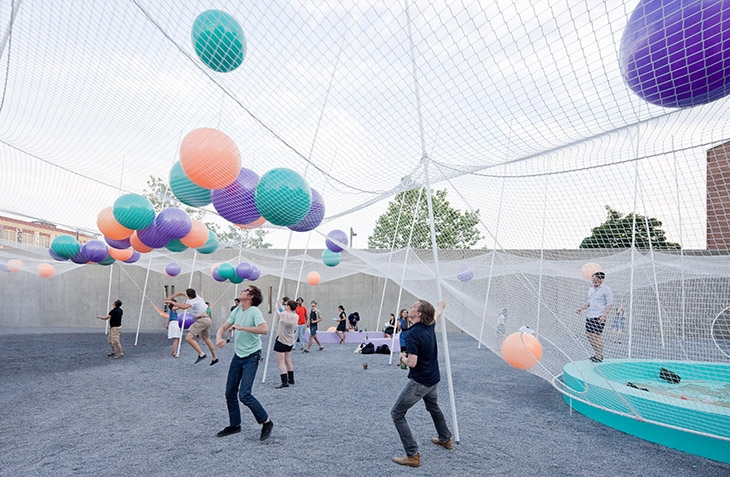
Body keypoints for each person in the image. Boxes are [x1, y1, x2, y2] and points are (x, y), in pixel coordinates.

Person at [391, 300, 451, 468]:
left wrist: (401, 357)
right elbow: (436, 315)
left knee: (397, 413)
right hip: (433, 379)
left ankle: (412, 455)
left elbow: (412, 362)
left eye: (413, 306)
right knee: (433, 407)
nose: (410, 307)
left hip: (420, 382)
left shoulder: (413, 334)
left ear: (418, 314)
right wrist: (441, 307)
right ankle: (445, 439)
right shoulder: (430, 324)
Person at [215, 285, 274, 441]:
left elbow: (264, 329)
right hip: (238, 356)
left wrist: (242, 328)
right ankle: (235, 425)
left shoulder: (254, 311)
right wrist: (219, 337)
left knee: (244, 395)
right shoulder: (237, 310)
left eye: (245, 290)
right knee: (230, 393)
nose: (242, 290)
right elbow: (223, 327)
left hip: (252, 356)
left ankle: (266, 422)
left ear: (251, 296)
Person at [167, 288, 218, 365]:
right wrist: (172, 296)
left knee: (188, 338)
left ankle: (201, 354)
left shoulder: (193, 302)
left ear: (189, 296)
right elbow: (181, 293)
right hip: (207, 319)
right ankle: (215, 358)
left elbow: (183, 307)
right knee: (207, 339)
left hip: (201, 320)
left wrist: (170, 301)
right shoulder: (197, 296)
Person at [576, 271, 614, 363]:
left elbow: (609, 304)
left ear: (602, 279)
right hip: (590, 315)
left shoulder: (606, 290)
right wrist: (581, 308)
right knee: (589, 335)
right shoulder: (591, 289)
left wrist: (604, 316)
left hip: (599, 316)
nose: (595, 281)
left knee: (597, 336)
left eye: (597, 279)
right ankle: (597, 353)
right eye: (593, 279)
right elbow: (589, 302)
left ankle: (599, 355)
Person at [273, 299, 298, 388]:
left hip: (281, 340)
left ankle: (284, 382)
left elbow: (281, 314)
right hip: (290, 341)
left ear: (288, 306)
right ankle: (291, 379)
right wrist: (280, 304)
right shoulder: (296, 316)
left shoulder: (284, 315)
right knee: (288, 360)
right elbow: (286, 314)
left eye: (286, 305)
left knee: (281, 362)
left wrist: (276, 308)